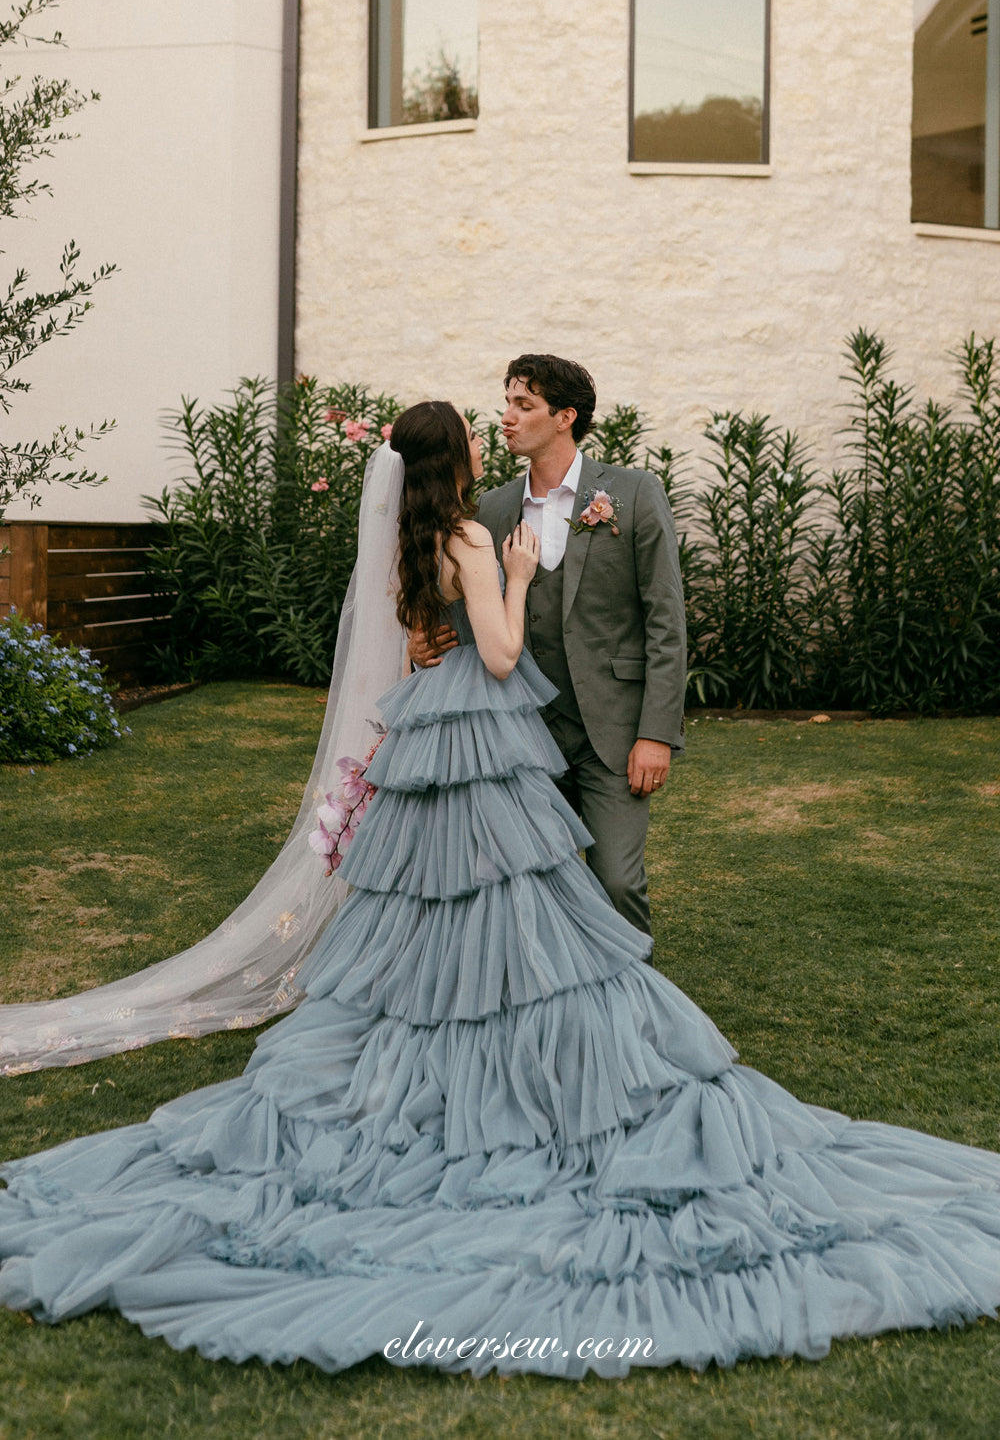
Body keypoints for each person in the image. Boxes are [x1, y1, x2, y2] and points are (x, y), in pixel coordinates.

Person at [4, 404, 1000, 1380]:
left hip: (429, 734)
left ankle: (431, 1066)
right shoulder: (471, 536)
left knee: (430, 914)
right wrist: (516, 576)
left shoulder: (405, 545)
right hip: (481, 731)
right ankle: (530, 1074)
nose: (492, 435)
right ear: (457, 459)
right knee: (518, 901)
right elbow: (499, 652)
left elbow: (420, 642)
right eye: (477, 433)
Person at [414, 354, 685, 935]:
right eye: (506, 402)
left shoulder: (634, 494)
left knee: (617, 880)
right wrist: (426, 643)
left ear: (565, 416)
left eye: (523, 405)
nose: (506, 417)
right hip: (524, 733)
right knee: (536, 881)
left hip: (613, 731)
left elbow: (666, 619)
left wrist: (656, 735)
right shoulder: (490, 509)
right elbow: (468, 617)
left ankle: (629, 1005)